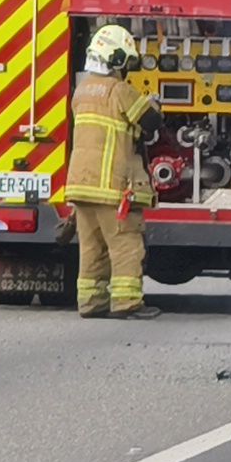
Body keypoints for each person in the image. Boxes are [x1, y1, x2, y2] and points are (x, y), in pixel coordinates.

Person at [65, 24, 164, 320]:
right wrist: (154, 104)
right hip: (110, 186)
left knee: (91, 246)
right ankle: (127, 302)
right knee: (126, 243)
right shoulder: (119, 90)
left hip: (81, 186)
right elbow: (150, 123)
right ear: (117, 59)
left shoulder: (81, 92)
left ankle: (91, 302)